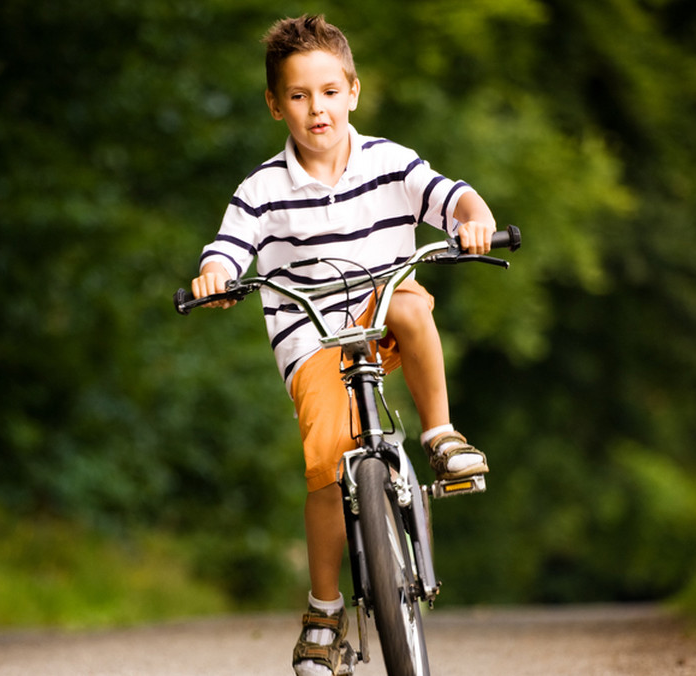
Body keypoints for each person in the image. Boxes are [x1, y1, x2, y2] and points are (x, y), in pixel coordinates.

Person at [190, 14, 497, 676]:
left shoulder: (390, 162)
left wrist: (476, 223)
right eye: (298, 96)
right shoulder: (262, 191)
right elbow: (228, 248)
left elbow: (454, 198)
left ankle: (441, 435)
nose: (316, 108)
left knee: (412, 303)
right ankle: (324, 610)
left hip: (382, 310)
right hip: (312, 336)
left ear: (353, 91)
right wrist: (216, 274)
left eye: (329, 91)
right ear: (275, 105)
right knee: (328, 464)